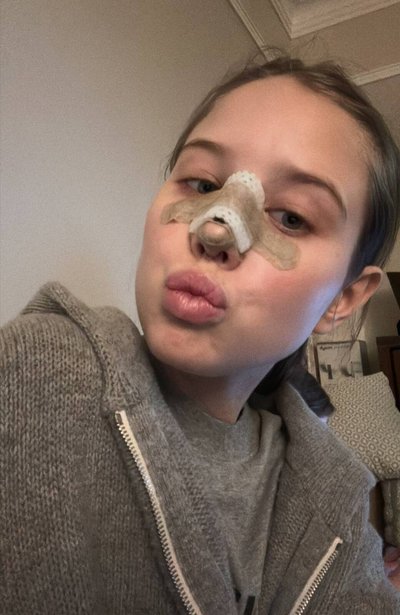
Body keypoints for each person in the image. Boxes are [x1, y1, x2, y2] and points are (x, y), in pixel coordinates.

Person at [1, 53, 400, 615]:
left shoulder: (338, 504)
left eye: (290, 217)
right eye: (203, 183)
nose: (216, 230)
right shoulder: (39, 371)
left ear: (344, 297)